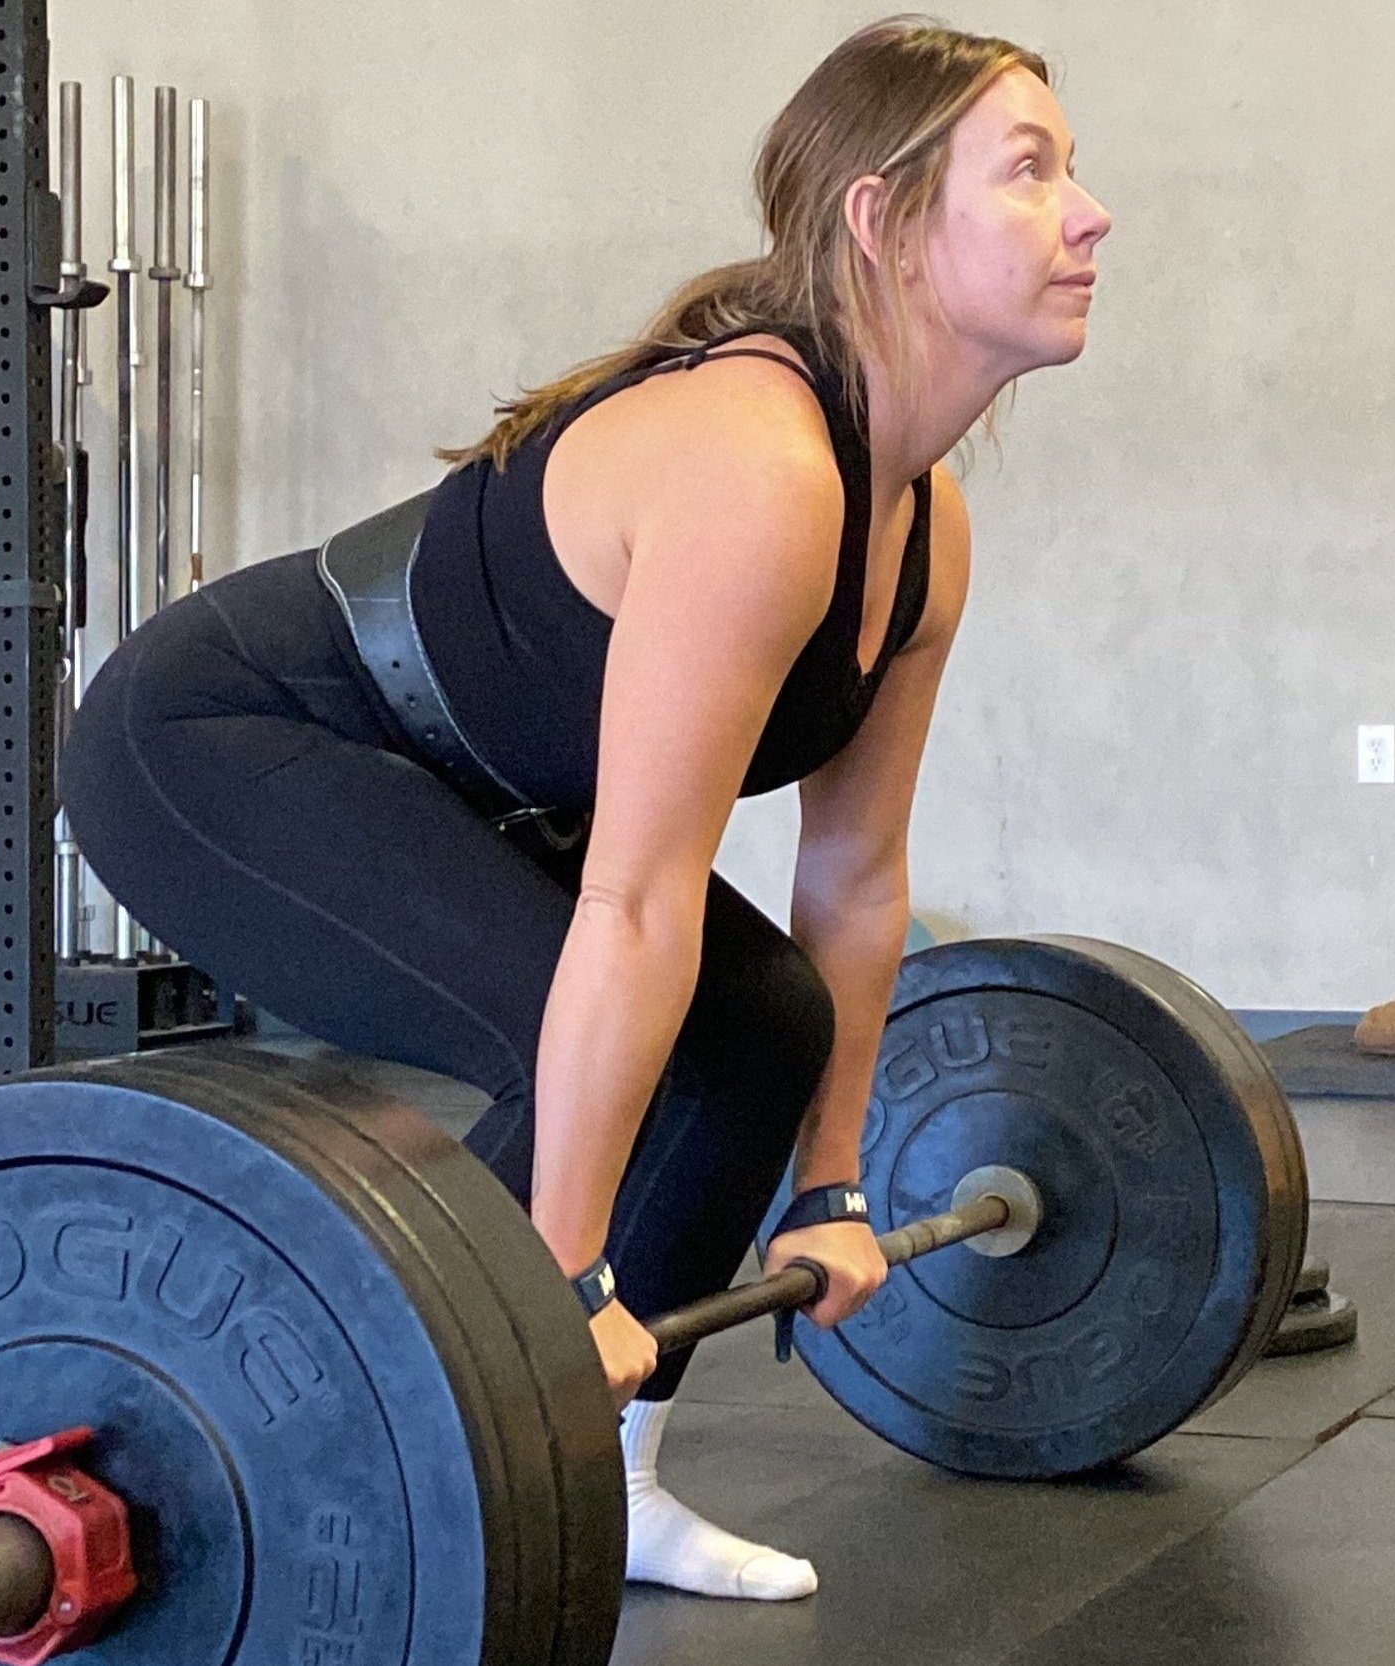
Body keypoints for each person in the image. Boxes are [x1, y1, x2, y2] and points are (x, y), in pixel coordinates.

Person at [63, 12, 1111, 1603]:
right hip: (215, 740)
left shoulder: (923, 523)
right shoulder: (759, 466)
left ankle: (599, 1484)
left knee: (755, 1023)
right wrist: (557, 1275)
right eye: (1030, 172)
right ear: (884, 222)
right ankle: (278, 1451)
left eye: (1073, 173)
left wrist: (832, 1185)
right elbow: (632, 904)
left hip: (455, 774)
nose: (1088, 214)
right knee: (609, 1018)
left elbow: (855, 881)